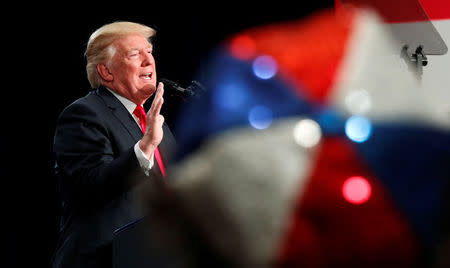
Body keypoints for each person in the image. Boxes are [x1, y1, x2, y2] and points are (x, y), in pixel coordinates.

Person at [52, 21, 176, 268]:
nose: (148, 61)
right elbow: (89, 185)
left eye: (149, 53)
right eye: (134, 54)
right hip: (104, 260)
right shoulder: (84, 114)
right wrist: (144, 148)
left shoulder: (156, 126)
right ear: (106, 72)